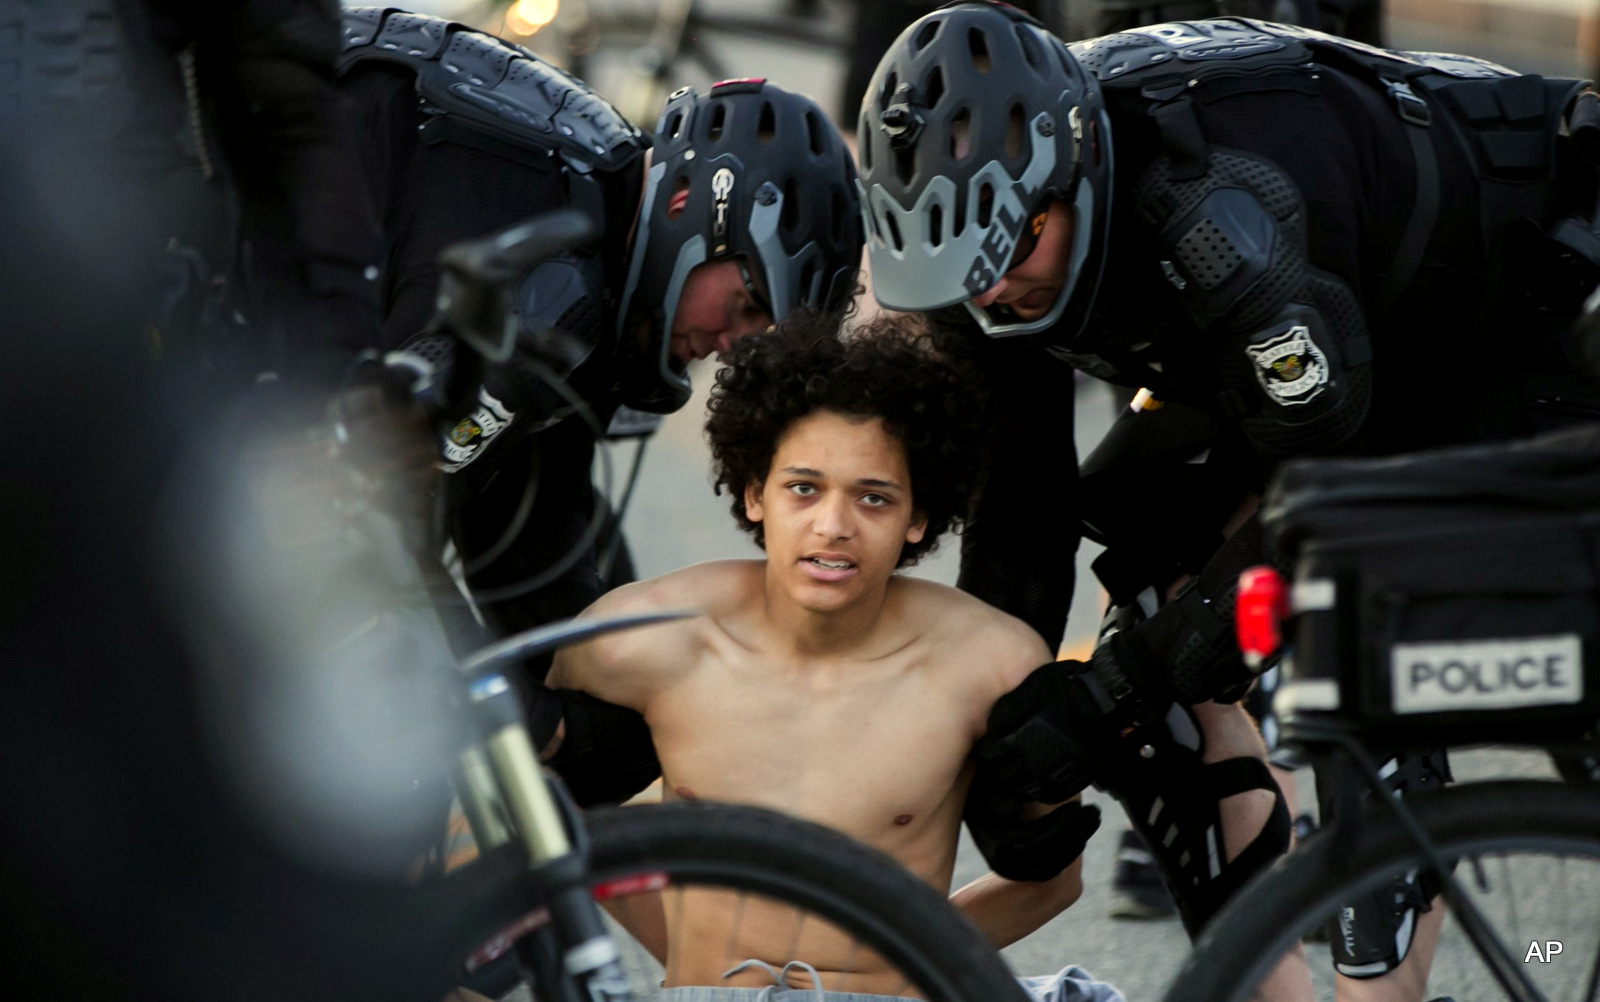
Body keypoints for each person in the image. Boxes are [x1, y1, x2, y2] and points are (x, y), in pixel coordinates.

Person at [856, 0, 1600, 991]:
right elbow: (1019, 521)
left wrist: (1116, 692)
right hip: (1314, 354)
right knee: (1148, 632)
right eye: (963, 271)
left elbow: (1318, 499)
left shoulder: (1219, 209)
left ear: (1071, 169)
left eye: (1011, 247)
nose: (991, 292)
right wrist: (1010, 724)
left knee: (1353, 632)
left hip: (1521, 286)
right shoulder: (984, 261)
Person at [332, 9, 863, 803]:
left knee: (598, 737)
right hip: (155, 233)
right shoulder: (559, 287)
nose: (735, 346)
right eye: (748, 303)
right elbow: (361, 527)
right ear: (690, 209)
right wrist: (534, 723)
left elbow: (533, 557)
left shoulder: (603, 214)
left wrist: (600, 728)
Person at [542, 314, 1126, 1001]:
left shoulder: (991, 663)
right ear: (756, 492)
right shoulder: (643, 637)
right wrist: (691, 972)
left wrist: (916, 957)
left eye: (873, 498)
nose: (833, 526)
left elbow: (1053, 880)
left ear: (919, 518)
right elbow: (526, 804)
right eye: (803, 488)